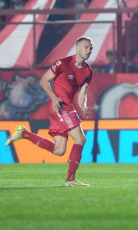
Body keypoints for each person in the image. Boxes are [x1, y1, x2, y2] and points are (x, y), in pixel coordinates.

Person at [5, 36, 93, 187]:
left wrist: (84, 106)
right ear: (77, 48)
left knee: (59, 150)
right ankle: (70, 180)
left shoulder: (88, 71)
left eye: (90, 48)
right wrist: (53, 97)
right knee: (80, 139)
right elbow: (44, 80)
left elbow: (82, 94)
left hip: (64, 107)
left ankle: (24, 133)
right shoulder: (63, 63)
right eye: (86, 47)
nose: (89, 50)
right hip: (60, 105)